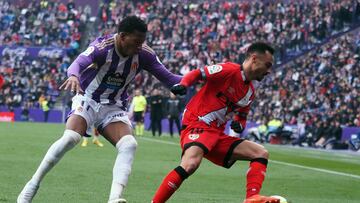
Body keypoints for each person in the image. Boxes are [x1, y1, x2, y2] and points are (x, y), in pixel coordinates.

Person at [17, 16, 181, 203]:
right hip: (88, 98)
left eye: (142, 42)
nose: (139, 47)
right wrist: (73, 76)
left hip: (113, 106)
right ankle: (32, 184)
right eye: (136, 42)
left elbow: (169, 79)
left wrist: (200, 76)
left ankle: (114, 198)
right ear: (122, 36)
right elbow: (78, 63)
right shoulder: (103, 47)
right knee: (71, 138)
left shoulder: (144, 54)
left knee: (129, 144)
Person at [151, 42, 280, 203]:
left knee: (261, 153)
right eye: (267, 65)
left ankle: (252, 198)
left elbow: (242, 115)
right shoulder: (229, 70)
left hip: (216, 134)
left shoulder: (250, 91)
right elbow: (198, 73)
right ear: (254, 59)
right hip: (197, 123)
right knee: (190, 164)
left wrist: (239, 124)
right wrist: (183, 84)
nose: (269, 71)